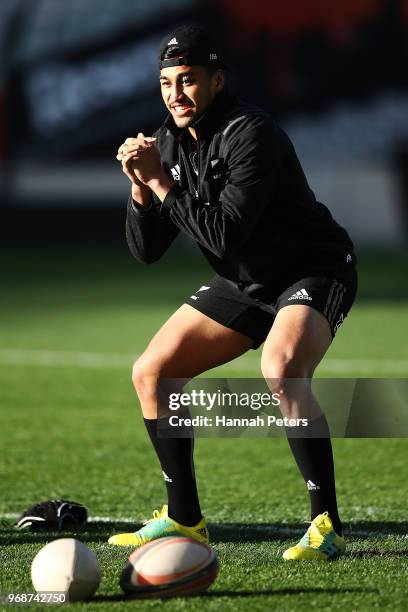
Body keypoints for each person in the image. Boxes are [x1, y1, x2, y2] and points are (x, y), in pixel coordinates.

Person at [108, 25, 357, 560]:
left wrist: (160, 183)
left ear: (218, 81)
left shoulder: (252, 133)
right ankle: (184, 519)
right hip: (244, 282)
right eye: (166, 82)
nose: (176, 93)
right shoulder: (170, 141)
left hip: (310, 269)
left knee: (282, 369)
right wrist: (138, 186)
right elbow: (147, 251)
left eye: (189, 80)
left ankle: (326, 525)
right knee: (152, 372)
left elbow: (223, 233)